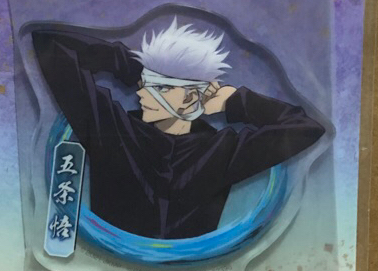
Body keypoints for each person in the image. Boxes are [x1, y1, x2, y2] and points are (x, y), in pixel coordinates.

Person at [32, 18, 325, 240]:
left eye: (159, 88)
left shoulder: (221, 151)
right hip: (110, 258)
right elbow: (49, 44)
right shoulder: (112, 130)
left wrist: (236, 102)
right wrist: (129, 64)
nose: (143, 94)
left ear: (190, 98)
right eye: (145, 84)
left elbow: (305, 128)